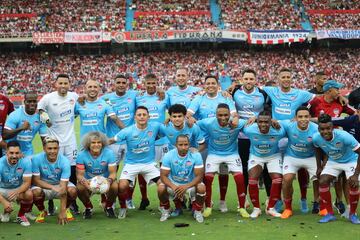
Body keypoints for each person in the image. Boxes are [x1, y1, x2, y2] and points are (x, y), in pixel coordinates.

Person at [187, 75, 238, 213]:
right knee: (202, 173)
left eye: (213, 83)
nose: (210, 85)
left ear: (218, 85)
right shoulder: (199, 98)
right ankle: (202, 200)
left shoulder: (225, 97)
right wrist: (190, 117)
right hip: (204, 142)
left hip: (221, 141)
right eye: (208, 83)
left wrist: (234, 121)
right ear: (204, 85)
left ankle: (222, 201)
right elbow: (189, 114)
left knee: (223, 172)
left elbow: (234, 115)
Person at [309, 80, 355, 215]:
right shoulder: (316, 102)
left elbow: (353, 114)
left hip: (337, 144)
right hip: (320, 143)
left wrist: (344, 101)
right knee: (319, 175)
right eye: (337, 89)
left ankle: (339, 201)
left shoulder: (340, 103)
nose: (339, 92)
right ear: (329, 90)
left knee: (340, 176)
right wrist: (314, 121)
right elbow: (304, 114)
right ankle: (317, 201)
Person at [37, 74, 79, 215]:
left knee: (71, 170)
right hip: (54, 140)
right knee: (52, 169)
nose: (63, 86)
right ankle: (50, 202)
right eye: (60, 83)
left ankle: (71, 204)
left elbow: (80, 108)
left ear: (69, 84)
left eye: (65, 83)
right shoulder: (48, 98)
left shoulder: (74, 96)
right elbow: (40, 109)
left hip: (70, 140)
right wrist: (45, 117)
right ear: (55, 84)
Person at [110, 106, 162, 219]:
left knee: (163, 185)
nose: (142, 117)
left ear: (149, 116)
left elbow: (171, 131)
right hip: (131, 164)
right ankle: (123, 207)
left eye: (144, 114)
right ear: (135, 117)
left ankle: (164, 207)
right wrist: (95, 145)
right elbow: (112, 140)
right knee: (122, 186)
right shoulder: (128, 131)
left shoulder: (156, 126)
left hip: (149, 164)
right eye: (139, 115)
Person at [197, 103, 248, 218]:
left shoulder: (237, 123)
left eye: (226, 115)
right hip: (214, 154)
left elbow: (254, 122)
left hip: (232, 154)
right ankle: (208, 206)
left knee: (240, 178)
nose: (223, 118)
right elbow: (193, 124)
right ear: (215, 115)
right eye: (220, 115)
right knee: (208, 178)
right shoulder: (208, 122)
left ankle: (242, 208)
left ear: (230, 114)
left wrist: (252, 118)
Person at [230, 69, 272, 206]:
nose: (249, 81)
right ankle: (243, 199)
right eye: (246, 79)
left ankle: (269, 197)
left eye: (251, 79)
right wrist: (226, 90)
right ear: (242, 80)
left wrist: (258, 117)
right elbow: (224, 96)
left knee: (265, 166)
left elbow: (270, 109)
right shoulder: (235, 91)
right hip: (242, 136)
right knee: (244, 167)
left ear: (255, 80)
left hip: (260, 135)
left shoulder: (262, 93)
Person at [313, 114, 360, 224]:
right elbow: (317, 149)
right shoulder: (316, 137)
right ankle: (329, 214)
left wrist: (356, 175)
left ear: (332, 127)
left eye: (328, 128)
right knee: (323, 181)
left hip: (351, 160)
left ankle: (352, 214)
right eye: (322, 129)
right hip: (334, 161)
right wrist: (319, 167)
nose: (325, 132)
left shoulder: (344, 136)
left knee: (353, 183)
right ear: (318, 129)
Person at [135, 73, 170, 210]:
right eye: (148, 83)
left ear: (157, 83)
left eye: (153, 83)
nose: (151, 86)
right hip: (145, 141)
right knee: (141, 169)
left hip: (162, 140)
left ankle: (164, 201)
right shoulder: (138, 98)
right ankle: (144, 198)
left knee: (165, 171)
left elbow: (174, 110)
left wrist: (168, 119)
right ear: (144, 84)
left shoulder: (164, 96)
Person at [243, 110, 286, 218]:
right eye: (260, 121)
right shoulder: (249, 129)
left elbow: (290, 124)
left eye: (266, 122)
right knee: (252, 179)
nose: (263, 124)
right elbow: (235, 122)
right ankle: (256, 209)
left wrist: (277, 121)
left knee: (278, 179)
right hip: (256, 156)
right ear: (257, 122)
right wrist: (253, 117)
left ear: (271, 122)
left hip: (273, 156)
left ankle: (270, 208)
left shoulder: (279, 131)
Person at [280, 106, 319, 218]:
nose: (303, 119)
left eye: (306, 116)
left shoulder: (316, 129)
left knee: (320, 178)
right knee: (287, 179)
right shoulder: (289, 125)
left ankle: (317, 203)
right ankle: (288, 208)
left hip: (310, 157)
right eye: (300, 116)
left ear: (310, 117)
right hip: (292, 156)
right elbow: (273, 121)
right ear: (295, 118)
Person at [158, 135, 205, 223]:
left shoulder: (196, 155)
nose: (183, 147)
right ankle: (166, 210)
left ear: (189, 144)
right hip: (174, 183)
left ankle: (198, 211)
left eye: (186, 144)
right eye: (180, 145)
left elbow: (199, 176)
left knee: (201, 187)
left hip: (190, 184)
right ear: (176, 145)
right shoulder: (168, 155)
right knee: (161, 188)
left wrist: (186, 186)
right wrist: (174, 187)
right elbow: (163, 176)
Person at [31, 137, 78, 225]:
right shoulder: (36, 159)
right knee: (35, 192)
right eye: (49, 148)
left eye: (55, 148)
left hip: (60, 185)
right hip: (43, 186)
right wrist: (52, 187)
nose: (52, 151)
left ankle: (67, 209)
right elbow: (36, 181)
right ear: (44, 148)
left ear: (58, 149)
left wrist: (62, 211)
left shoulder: (65, 161)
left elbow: (63, 188)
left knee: (73, 191)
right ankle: (42, 210)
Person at [76, 132, 118, 219]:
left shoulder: (109, 153)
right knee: (79, 187)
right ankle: (88, 207)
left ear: (102, 143)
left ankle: (109, 207)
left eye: (99, 142)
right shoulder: (81, 155)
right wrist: (86, 184)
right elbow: (79, 175)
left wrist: (108, 182)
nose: (96, 145)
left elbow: (113, 173)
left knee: (115, 186)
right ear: (88, 144)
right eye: (93, 142)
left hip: (105, 180)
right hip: (89, 181)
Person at [3, 92, 47, 156]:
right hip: (11, 151)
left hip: (27, 152)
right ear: (24, 102)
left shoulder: (41, 117)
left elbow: (44, 138)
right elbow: (5, 135)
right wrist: (21, 128)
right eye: (29, 101)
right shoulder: (15, 115)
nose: (32, 104)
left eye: (34, 101)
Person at [0, 141, 33, 226]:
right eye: (11, 153)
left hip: (17, 189)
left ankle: (21, 216)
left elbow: (27, 183)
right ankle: (5, 213)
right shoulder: (0, 163)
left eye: (17, 153)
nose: (14, 156)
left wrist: (17, 192)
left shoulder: (26, 162)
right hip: (2, 190)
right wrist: (4, 202)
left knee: (29, 194)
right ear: (6, 152)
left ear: (20, 153)